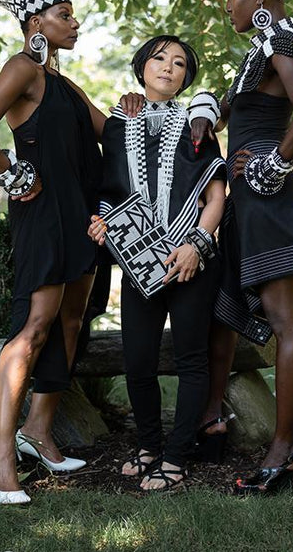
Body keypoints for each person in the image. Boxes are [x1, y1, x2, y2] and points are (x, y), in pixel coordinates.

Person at [0, 0, 108, 503]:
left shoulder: (64, 84)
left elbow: (112, 133)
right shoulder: (22, 69)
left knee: (71, 322)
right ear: (36, 23)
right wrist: (12, 172)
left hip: (82, 216)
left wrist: (153, 107)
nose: (76, 22)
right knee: (35, 327)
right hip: (43, 215)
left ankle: (38, 431)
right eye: (65, 14)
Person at [188, 0, 293, 494]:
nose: (226, 4)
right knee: (225, 311)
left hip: (268, 201)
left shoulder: (280, 38)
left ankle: (284, 451)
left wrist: (272, 164)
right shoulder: (261, 47)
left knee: (286, 321)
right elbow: (232, 110)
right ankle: (211, 418)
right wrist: (203, 112)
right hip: (245, 202)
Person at [88, 36, 226, 491]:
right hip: (140, 262)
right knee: (138, 360)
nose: (169, 67)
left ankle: (176, 456)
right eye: (160, 58)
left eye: (180, 63)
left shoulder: (197, 124)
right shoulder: (117, 125)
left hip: (190, 259)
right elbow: (110, 192)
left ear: (186, 77)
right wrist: (103, 223)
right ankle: (148, 445)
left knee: (191, 360)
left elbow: (215, 195)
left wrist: (196, 245)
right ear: (141, 67)